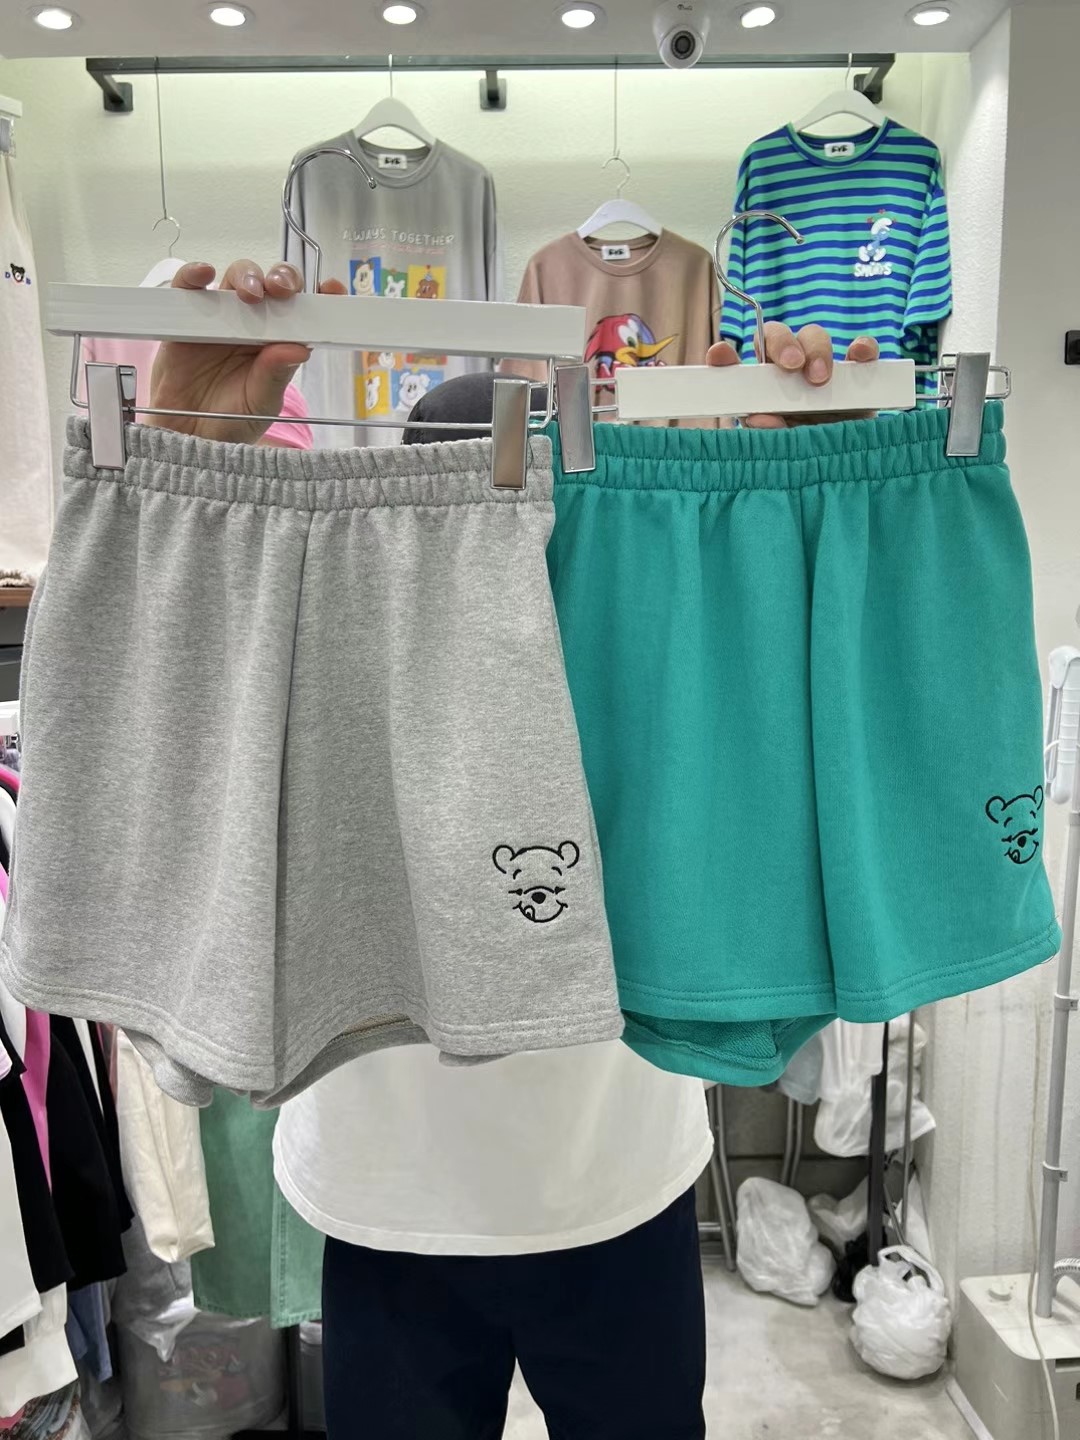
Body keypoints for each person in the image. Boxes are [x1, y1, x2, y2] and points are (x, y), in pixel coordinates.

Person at [147, 257, 881, 1440]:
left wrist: (821, 520)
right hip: (392, 1204)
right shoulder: (337, 631)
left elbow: (805, 742)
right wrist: (179, 470)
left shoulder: (654, 635)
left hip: (616, 1186)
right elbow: (187, 745)